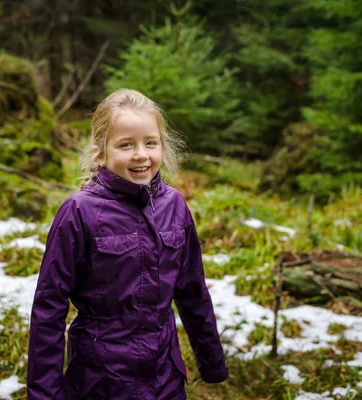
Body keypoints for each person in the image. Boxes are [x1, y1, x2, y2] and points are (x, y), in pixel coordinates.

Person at [27, 88, 228, 399]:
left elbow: (193, 291)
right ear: (100, 152)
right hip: (100, 379)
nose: (141, 154)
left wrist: (212, 362)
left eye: (150, 142)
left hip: (165, 378)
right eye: (125, 145)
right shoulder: (79, 212)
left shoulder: (174, 206)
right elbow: (49, 308)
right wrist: (44, 394)